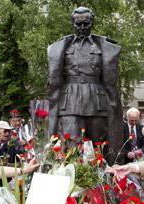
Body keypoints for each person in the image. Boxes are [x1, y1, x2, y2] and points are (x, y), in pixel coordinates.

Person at [47, 6, 123, 164]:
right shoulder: (60, 47)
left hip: (96, 102)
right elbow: (55, 80)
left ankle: (102, 185)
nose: (82, 27)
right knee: (70, 147)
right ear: (73, 24)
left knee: (99, 147)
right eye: (78, 24)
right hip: (69, 103)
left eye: (86, 24)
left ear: (92, 23)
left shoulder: (104, 46)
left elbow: (109, 80)